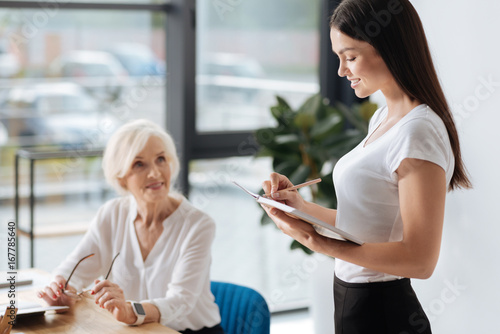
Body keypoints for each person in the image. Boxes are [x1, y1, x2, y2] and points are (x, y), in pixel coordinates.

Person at [261, 0, 472, 333]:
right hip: (353, 301)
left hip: (383, 312)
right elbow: (366, 223)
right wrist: (302, 208)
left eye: (351, 56)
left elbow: (420, 259)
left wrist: (318, 242)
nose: (342, 71)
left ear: (390, 48)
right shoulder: (382, 117)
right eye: (338, 58)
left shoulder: (418, 131)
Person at [38, 119, 224, 334]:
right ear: (121, 177)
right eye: (139, 164)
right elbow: (74, 270)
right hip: (134, 330)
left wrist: (131, 311)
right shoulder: (112, 214)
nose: (155, 173)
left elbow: (180, 301)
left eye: (161, 159)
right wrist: (62, 291)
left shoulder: (198, 225)